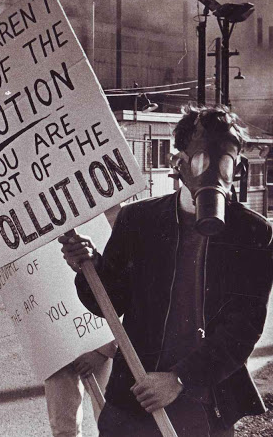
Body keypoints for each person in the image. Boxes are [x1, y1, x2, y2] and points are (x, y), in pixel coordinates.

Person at [61, 104, 273, 436]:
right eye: (202, 158)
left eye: (225, 161)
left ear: (238, 168)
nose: (213, 170)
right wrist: (88, 265)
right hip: (136, 398)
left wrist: (180, 379)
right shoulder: (139, 221)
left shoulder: (253, 234)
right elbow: (111, 302)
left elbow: (243, 329)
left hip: (205, 407)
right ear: (179, 163)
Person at [44, 341, 116, 437]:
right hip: (54, 342)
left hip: (96, 338)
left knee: (111, 418)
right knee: (62, 426)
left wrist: (104, 351)